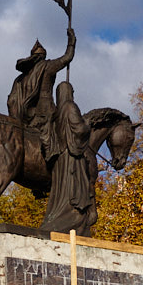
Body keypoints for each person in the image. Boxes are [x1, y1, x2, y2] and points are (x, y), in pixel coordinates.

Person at [7, 28, 75, 158]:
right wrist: (71, 42)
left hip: (27, 114)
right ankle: (51, 152)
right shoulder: (47, 66)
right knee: (65, 126)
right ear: (43, 56)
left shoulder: (20, 78)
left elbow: (11, 101)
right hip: (45, 109)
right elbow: (67, 57)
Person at [40, 80, 97, 236]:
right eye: (71, 92)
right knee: (73, 190)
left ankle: (57, 218)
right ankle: (73, 220)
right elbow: (79, 130)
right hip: (72, 158)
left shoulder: (55, 114)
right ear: (69, 93)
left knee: (60, 192)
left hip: (59, 159)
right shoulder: (70, 107)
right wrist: (87, 125)